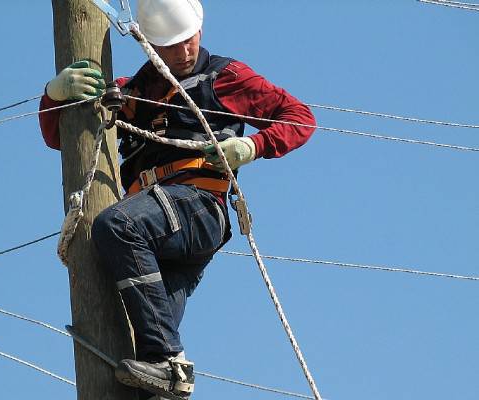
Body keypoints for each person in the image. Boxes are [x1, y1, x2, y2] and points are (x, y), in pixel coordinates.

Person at [38, 1, 316, 398]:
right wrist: (54, 96)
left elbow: (298, 117)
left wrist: (254, 145)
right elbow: (60, 138)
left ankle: (169, 361)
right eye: (171, 46)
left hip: (198, 205)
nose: (184, 52)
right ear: (149, 44)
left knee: (118, 225)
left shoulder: (225, 76)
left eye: (189, 40)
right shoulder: (132, 94)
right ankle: (162, 376)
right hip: (160, 226)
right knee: (140, 353)